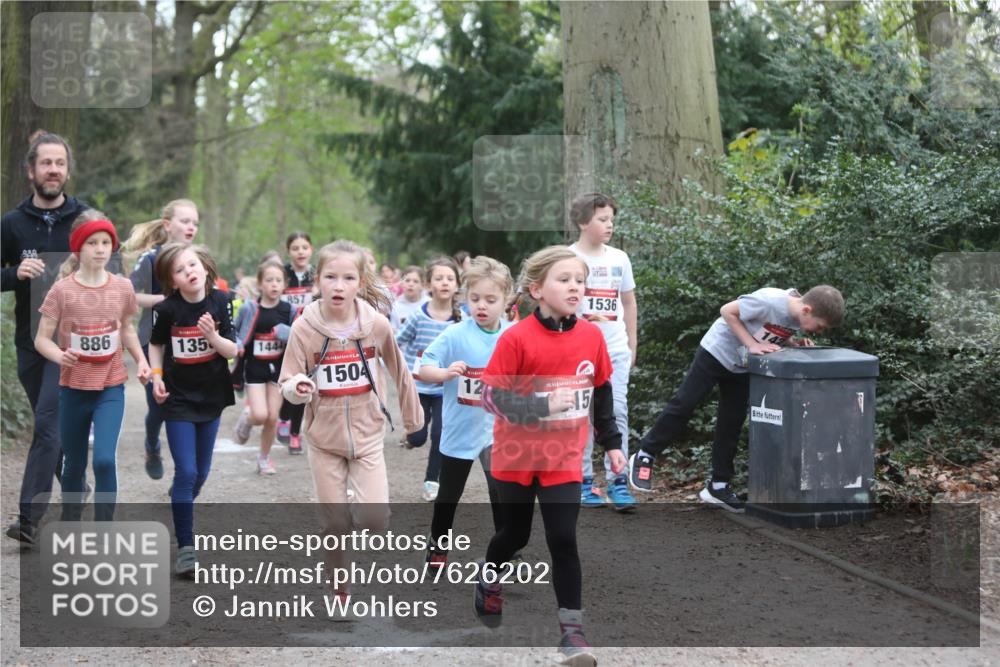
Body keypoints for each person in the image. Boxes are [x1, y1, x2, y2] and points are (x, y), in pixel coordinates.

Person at [474, 245, 624, 666]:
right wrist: (542, 406)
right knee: (515, 536)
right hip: (516, 456)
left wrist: (612, 444)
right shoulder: (516, 337)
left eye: (580, 280)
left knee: (563, 540)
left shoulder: (592, 336)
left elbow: (602, 391)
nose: (575, 287)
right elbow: (491, 398)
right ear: (537, 289)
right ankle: (489, 578)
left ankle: (572, 635)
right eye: (564, 279)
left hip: (564, 458)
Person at [279, 240, 422, 606]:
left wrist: (412, 419)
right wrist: (299, 386)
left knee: (376, 523)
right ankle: (340, 589)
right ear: (318, 281)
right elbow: (287, 380)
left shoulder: (375, 325)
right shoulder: (304, 328)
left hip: (368, 433)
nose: (338, 285)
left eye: (347, 278)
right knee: (334, 525)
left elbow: (399, 370)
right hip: (323, 440)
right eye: (330, 277)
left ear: (360, 283)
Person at [628, 285, 845, 512]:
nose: (818, 332)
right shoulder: (770, 301)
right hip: (717, 352)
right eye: (820, 326)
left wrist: (793, 344)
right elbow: (727, 311)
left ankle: (718, 485)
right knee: (685, 404)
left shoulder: (796, 316)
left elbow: (770, 331)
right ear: (807, 309)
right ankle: (645, 454)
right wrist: (752, 345)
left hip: (741, 366)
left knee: (731, 422)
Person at [1, 131, 89, 544]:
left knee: (48, 424)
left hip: (73, 345)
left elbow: (114, 279)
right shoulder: (12, 224)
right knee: (52, 426)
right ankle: (77, 485)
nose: (53, 170)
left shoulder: (86, 221)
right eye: (46, 163)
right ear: (31, 170)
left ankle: (28, 518)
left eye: (60, 163)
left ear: (68, 171)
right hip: (29, 341)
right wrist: (13, 274)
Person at [35, 212, 150, 521]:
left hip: (110, 386)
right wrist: (60, 356)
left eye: (105, 243)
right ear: (77, 249)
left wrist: (141, 361)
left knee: (103, 460)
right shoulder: (62, 291)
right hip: (73, 388)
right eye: (92, 243)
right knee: (73, 463)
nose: (100, 249)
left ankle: (103, 528)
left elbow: (126, 329)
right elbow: (41, 339)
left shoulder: (122, 288)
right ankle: (71, 523)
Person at [148, 243, 237, 575]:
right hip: (178, 398)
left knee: (200, 474)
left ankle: (181, 497)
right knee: (185, 472)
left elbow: (232, 350)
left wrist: (212, 337)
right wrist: (156, 376)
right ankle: (186, 548)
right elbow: (156, 344)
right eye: (181, 269)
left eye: (193, 264)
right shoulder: (168, 309)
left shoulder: (222, 302)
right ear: (172, 280)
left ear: (204, 265)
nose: (190, 271)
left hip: (212, 396)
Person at [419, 256, 513, 566]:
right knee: (448, 496)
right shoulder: (456, 334)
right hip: (459, 431)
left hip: (497, 433)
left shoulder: (513, 336)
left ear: (506, 299)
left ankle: (507, 554)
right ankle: (438, 546)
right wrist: (444, 374)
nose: (482, 305)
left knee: (501, 495)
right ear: (465, 298)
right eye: (475, 299)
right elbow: (424, 367)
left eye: (491, 299)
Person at [568, 193, 638, 511]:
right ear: (583, 221)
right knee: (581, 417)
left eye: (611, 219)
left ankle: (618, 481)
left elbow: (628, 302)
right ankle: (583, 481)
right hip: (576, 353)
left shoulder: (619, 259)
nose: (609, 224)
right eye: (602, 219)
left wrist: (632, 343)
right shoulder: (566, 258)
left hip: (615, 351)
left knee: (617, 413)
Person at [122, 198, 201, 480]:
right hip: (152, 341)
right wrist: (163, 300)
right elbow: (128, 294)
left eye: (195, 222)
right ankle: (152, 445)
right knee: (159, 405)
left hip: (186, 342)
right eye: (185, 221)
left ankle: (185, 475)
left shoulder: (197, 260)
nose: (191, 227)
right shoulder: (152, 258)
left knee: (185, 406)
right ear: (168, 225)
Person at [395, 257, 462, 501]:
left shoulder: (461, 318)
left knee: (440, 435)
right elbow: (396, 342)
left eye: (450, 278)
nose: (444, 283)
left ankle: (432, 480)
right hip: (419, 386)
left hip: (446, 388)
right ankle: (410, 436)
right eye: (439, 278)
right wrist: (393, 366)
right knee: (419, 436)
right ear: (428, 284)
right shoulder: (417, 317)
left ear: (457, 284)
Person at [232, 259, 296, 473]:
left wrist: (285, 332)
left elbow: (298, 337)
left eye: (278, 280)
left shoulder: (289, 310)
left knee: (271, 417)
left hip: (278, 371)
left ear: (284, 284)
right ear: (260, 284)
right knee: (259, 415)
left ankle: (264, 458)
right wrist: (239, 345)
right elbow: (234, 333)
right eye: (269, 280)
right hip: (254, 370)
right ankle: (247, 419)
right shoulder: (250, 308)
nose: (274, 284)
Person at [275, 232, 315, 453]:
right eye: (295, 248)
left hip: (309, 337)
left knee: (303, 385)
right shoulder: (282, 274)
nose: (300, 252)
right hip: (285, 338)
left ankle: (295, 434)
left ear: (311, 249)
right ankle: (283, 417)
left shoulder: (317, 275)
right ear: (288, 251)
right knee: (288, 380)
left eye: (304, 247)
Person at [388, 265, 428, 332]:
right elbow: (393, 331)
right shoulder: (395, 306)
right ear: (402, 283)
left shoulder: (428, 303)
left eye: (415, 281)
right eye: (407, 280)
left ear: (422, 285)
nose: (411, 284)